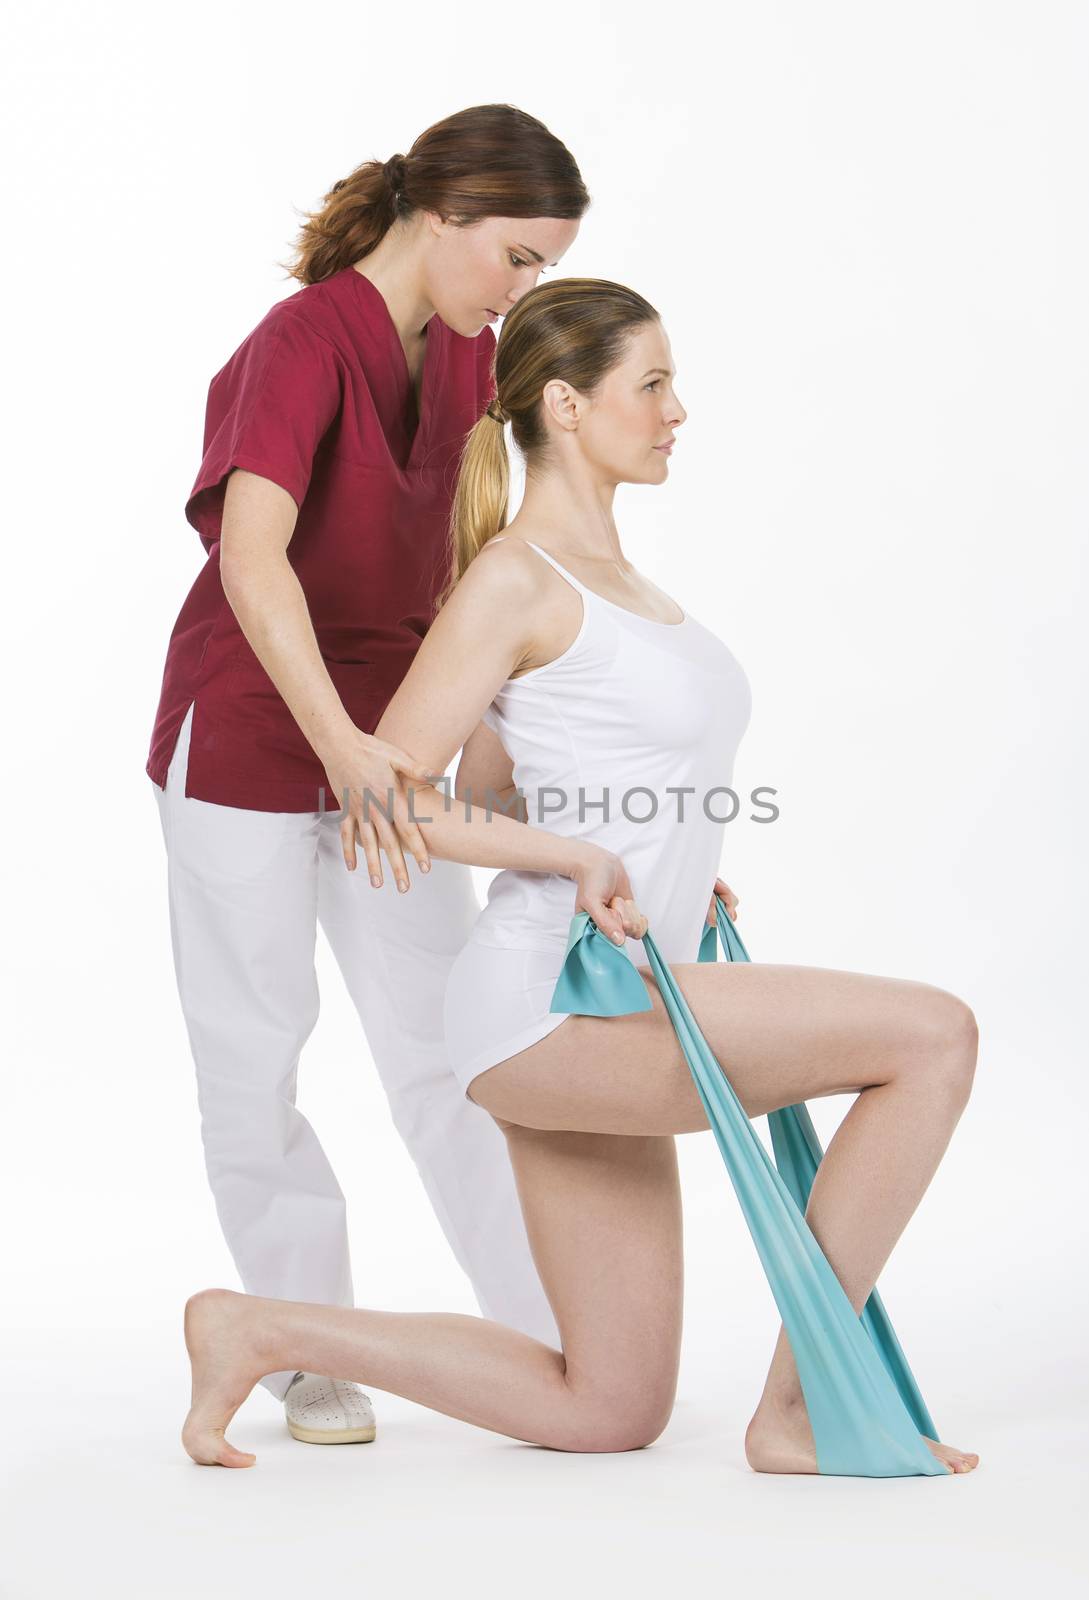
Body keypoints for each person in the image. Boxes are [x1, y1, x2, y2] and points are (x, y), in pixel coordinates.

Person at [179, 279, 981, 1476]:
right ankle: (803, 1410)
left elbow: (501, 783)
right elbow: (390, 797)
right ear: (564, 403)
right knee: (932, 1038)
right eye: (651, 385)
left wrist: (667, 859)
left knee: (609, 1406)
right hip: (551, 1002)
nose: (677, 411)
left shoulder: (621, 589)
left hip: (618, 985)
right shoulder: (515, 578)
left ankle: (256, 1327)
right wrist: (579, 856)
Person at [147, 103, 588, 1441]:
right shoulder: (298, 345)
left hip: (390, 743)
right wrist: (340, 747)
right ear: (442, 217)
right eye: (517, 256)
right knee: (256, 1047)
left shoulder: (468, 357)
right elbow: (253, 557)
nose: (526, 290)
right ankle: (298, 1349)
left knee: (449, 1045)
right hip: (247, 738)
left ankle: (551, 1338)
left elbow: (471, 562)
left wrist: (476, 749)